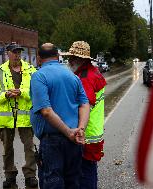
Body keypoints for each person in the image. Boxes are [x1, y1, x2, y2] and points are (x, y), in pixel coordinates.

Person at [30, 43, 90, 189]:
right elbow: (85, 104)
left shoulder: (39, 76)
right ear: (57, 56)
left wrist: (69, 132)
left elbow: (46, 111)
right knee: (72, 181)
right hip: (74, 140)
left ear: (38, 58)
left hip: (53, 142)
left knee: (52, 182)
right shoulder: (72, 76)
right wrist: (80, 129)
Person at [0, 42, 38, 188]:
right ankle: (9, 175)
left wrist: (22, 92)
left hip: (25, 117)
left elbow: (37, 89)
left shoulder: (30, 69)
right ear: (7, 53)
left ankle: (30, 175)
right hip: (6, 118)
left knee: (29, 147)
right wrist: (5, 95)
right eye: (14, 52)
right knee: (7, 149)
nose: (17, 54)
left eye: (19, 52)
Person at [63, 41, 107, 189]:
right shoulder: (92, 72)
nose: (69, 61)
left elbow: (84, 106)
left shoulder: (85, 78)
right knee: (88, 172)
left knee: (84, 175)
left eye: (72, 57)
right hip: (92, 133)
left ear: (80, 59)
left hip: (85, 135)